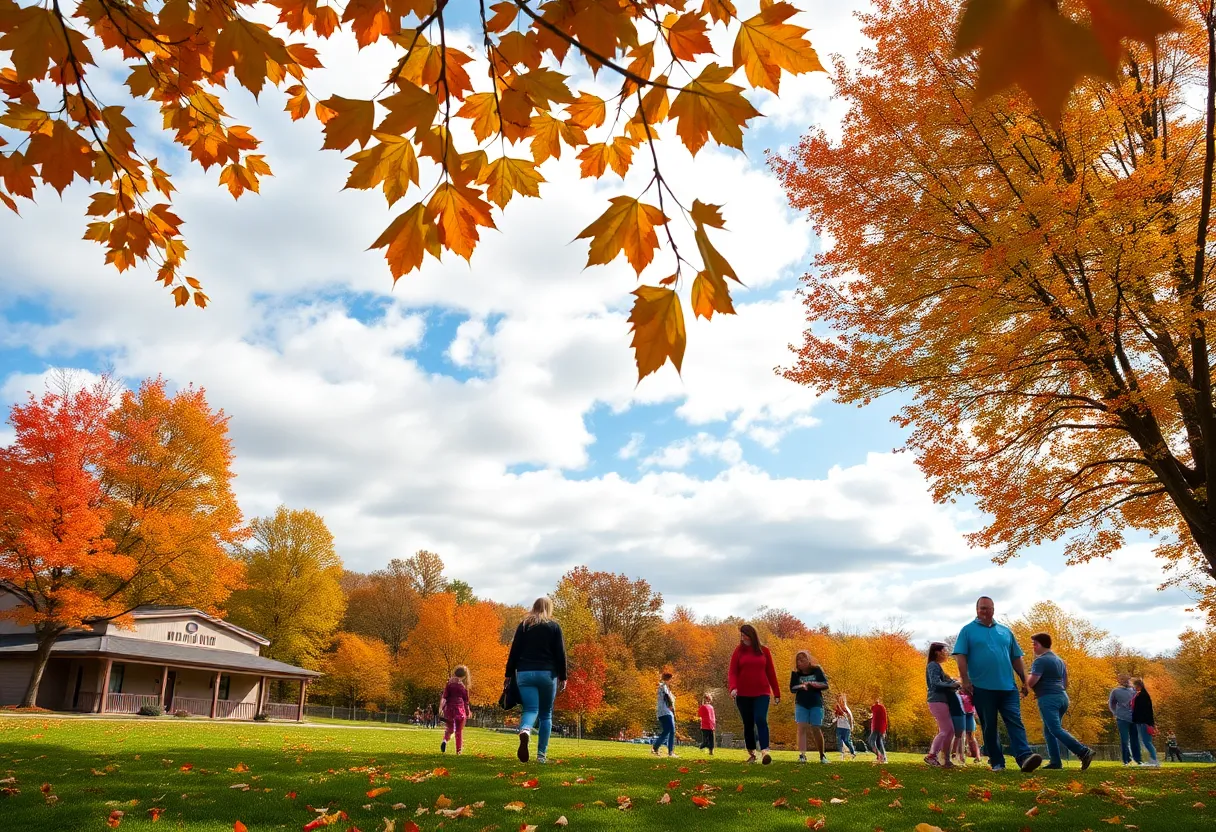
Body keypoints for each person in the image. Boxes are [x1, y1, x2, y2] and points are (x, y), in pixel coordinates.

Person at [953, 596, 1043, 773]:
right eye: (982, 608)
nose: (985, 611)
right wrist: (965, 679)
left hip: (1008, 687)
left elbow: (1016, 657)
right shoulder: (967, 631)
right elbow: (960, 656)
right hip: (982, 687)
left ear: (994, 609)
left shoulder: (1005, 631)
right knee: (989, 726)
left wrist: (1024, 680)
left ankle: (1024, 757)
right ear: (976, 610)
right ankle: (997, 761)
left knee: (1015, 721)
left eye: (988, 608)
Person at [505, 596, 569, 765]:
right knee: (546, 715)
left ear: (534, 607)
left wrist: (508, 674)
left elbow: (514, 651)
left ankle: (525, 730)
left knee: (530, 709)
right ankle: (541, 755)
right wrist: (563, 676)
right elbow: (560, 653)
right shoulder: (554, 627)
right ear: (549, 608)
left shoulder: (524, 626)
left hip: (525, 673)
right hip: (547, 674)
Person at [1026, 633, 1094, 770]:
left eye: (1034, 644)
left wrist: (1027, 679)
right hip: (1062, 697)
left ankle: (1083, 751)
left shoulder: (1040, 661)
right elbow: (1066, 683)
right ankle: (1055, 762)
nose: (1033, 647)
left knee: (1055, 729)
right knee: (1049, 730)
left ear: (1039, 644)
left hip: (1048, 699)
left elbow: (1032, 681)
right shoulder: (1059, 660)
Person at [728, 623, 781, 765]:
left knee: (760, 719)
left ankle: (765, 752)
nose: (743, 637)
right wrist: (733, 687)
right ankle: (752, 753)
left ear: (753, 635)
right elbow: (732, 672)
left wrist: (776, 693)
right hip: (743, 693)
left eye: (745, 635)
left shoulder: (764, 651)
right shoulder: (738, 651)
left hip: (762, 692)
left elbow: (771, 672)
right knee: (748, 723)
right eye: (742, 635)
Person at [790, 650, 829, 764]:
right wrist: (801, 686)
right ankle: (802, 755)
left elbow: (825, 684)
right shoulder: (795, 674)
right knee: (801, 727)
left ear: (808, 660)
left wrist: (814, 684)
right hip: (801, 703)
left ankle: (822, 756)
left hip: (816, 703)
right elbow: (792, 688)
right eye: (798, 660)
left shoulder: (816, 670)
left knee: (816, 728)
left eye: (802, 659)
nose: (800, 662)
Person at [925, 642, 960, 768]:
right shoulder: (933, 665)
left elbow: (944, 682)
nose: (946, 653)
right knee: (945, 730)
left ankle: (945, 759)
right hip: (936, 701)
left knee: (949, 730)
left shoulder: (936, 666)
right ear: (937, 652)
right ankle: (931, 756)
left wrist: (955, 682)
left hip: (941, 701)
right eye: (944, 651)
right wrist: (952, 685)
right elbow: (935, 684)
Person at [1108, 673, 1142, 766]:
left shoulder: (1134, 690)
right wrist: (1116, 713)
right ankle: (1126, 760)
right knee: (1125, 740)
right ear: (1119, 681)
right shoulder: (1115, 691)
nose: (1125, 681)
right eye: (1122, 679)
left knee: (1135, 740)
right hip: (1122, 718)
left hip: (1133, 718)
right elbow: (1111, 704)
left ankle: (1138, 760)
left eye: (1126, 679)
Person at [440, 665, 471, 754]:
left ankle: (445, 740)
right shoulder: (463, 687)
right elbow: (466, 701)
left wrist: (442, 708)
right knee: (459, 731)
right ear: (464, 676)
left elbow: (445, 696)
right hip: (460, 709)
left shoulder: (449, 684)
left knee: (449, 728)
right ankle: (458, 750)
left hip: (449, 709)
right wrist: (468, 711)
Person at [1131, 678, 1160, 767]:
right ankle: (1152, 760)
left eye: (1135, 686)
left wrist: (1150, 723)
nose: (1134, 687)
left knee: (1147, 742)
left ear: (1139, 686)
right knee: (1145, 742)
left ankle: (1154, 760)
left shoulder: (1143, 696)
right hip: (1141, 721)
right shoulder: (1140, 695)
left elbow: (1146, 711)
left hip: (1143, 722)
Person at [652, 672, 678, 758]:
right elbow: (666, 697)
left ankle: (655, 748)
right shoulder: (663, 687)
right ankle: (670, 752)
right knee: (672, 730)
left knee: (667, 731)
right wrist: (671, 706)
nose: (672, 681)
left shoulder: (663, 687)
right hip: (666, 711)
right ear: (669, 679)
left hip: (663, 712)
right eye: (672, 679)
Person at [952, 691, 981, 764]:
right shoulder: (957, 693)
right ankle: (956, 754)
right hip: (960, 715)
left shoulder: (971, 693)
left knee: (971, 737)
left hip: (970, 715)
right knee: (959, 736)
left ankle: (978, 756)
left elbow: (976, 704)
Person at [833, 694, 857, 760]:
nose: (841, 701)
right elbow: (835, 716)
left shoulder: (846, 709)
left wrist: (851, 726)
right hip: (839, 727)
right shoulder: (837, 708)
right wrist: (835, 718)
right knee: (839, 740)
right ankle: (842, 754)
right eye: (840, 700)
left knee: (846, 740)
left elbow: (850, 718)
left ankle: (853, 752)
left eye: (842, 700)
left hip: (846, 728)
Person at [869, 696, 888, 764]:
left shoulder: (881, 707)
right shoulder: (873, 708)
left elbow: (884, 719)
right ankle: (881, 757)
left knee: (874, 742)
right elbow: (873, 718)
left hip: (880, 727)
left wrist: (884, 730)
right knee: (876, 743)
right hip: (875, 728)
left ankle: (882, 757)